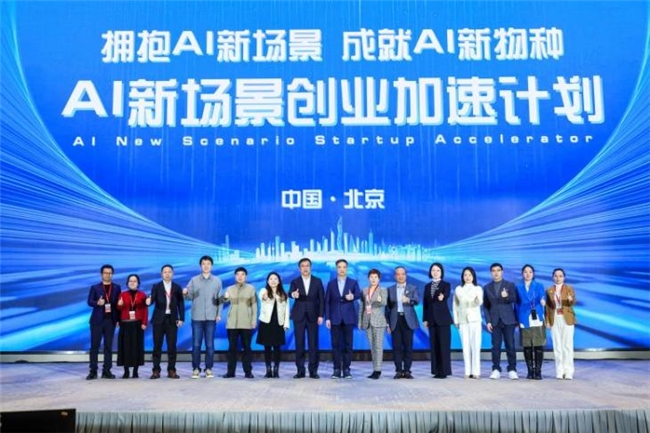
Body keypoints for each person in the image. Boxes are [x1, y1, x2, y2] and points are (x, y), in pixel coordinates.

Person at [183, 255, 223, 379]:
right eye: (204, 264)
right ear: (201, 266)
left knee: (210, 345)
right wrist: (185, 293)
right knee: (196, 345)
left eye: (208, 264)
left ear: (211, 266)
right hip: (197, 317)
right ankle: (196, 369)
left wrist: (219, 314)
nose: (206, 266)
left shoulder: (217, 280)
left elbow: (219, 299)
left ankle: (208, 369)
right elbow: (189, 297)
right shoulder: (194, 280)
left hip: (211, 317)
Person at [325, 259, 361, 379]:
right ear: (336, 269)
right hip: (334, 317)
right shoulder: (331, 284)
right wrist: (327, 318)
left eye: (344, 267)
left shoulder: (353, 282)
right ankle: (336, 369)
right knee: (335, 345)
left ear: (347, 268)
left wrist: (353, 296)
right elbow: (327, 302)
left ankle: (346, 369)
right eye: (339, 267)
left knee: (348, 345)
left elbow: (359, 294)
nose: (342, 269)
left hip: (348, 317)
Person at [147, 264, 185, 379]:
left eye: (169, 272)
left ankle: (171, 370)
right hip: (158, 320)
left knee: (172, 346)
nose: (167, 274)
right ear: (161, 274)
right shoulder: (156, 286)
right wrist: (148, 301)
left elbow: (180, 304)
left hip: (172, 319)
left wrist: (181, 318)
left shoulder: (177, 287)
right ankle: (156, 370)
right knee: (157, 346)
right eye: (165, 272)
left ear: (172, 274)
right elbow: (152, 299)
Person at [289, 258, 325, 379]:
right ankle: (300, 371)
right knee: (299, 344)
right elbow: (290, 293)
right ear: (299, 268)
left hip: (313, 316)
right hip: (298, 316)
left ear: (310, 267)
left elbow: (322, 299)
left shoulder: (317, 281)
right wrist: (293, 294)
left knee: (313, 344)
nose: (305, 268)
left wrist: (321, 315)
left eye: (307, 266)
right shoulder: (295, 281)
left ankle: (313, 371)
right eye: (303, 266)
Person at [483, 262, 519, 380]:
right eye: (493, 271)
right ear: (491, 273)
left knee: (510, 345)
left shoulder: (509, 285)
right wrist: (488, 321)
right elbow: (486, 306)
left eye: (498, 270)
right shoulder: (487, 287)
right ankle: (496, 369)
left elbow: (514, 299)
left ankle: (512, 369)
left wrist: (506, 296)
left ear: (502, 272)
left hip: (508, 319)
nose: (496, 273)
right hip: (495, 320)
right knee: (496, 346)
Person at [86, 264, 122, 380]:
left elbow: (118, 306)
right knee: (94, 347)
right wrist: (97, 303)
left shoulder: (117, 287)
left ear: (112, 274)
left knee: (108, 346)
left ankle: (107, 371)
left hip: (110, 320)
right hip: (97, 321)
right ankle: (93, 371)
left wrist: (118, 319)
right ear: (101, 274)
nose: (108, 275)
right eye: (106, 273)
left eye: (110, 273)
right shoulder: (95, 287)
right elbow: (89, 301)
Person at [221, 267, 257, 378]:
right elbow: (222, 301)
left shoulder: (251, 289)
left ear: (246, 276)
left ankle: (248, 372)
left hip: (246, 323)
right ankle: (230, 372)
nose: (240, 276)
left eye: (242, 274)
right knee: (232, 349)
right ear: (235, 276)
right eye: (238, 274)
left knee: (247, 348)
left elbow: (254, 306)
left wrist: (253, 320)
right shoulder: (230, 289)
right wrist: (224, 297)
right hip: (232, 324)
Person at [386, 266, 420, 379]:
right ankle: (398, 371)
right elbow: (387, 308)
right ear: (395, 276)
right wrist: (387, 323)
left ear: (406, 275)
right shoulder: (390, 289)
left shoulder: (412, 288)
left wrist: (408, 300)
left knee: (408, 346)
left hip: (408, 320)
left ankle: (407, 370)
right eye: (398, 274)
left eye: (403, 274)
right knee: (396, 347)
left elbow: (417, 300)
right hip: (395, 320)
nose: (400, 276)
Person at [515, 264, 547, 380]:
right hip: (524, 317)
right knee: (527, 345)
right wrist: (517, 319)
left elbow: (542, 296)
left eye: (530, 272)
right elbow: (516, 304)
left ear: (533, 274)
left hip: (537, 317)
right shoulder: (518, 287)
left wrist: (543, 300)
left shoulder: (539, 285)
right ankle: (530, 371)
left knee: (538, 345)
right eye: (525, 272)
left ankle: (538, 371)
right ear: (522, 274)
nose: (528, 274)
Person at [256, 272, 290, 378]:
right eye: (271, 279)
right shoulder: (264, 290)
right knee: (267, 347)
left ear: (279, 281)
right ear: (268, 281)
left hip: (278, 324)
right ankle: (268, 370)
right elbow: (262, 296)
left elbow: (287, 310)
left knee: (277, 348)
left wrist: (286, 324)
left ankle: (276, 370)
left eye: (275, 279)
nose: (273, 281)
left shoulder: (283, 294)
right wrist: (265, 296)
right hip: (266, 323)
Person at [545, 268, 577, 380]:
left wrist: (570, 299)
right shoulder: (549, 290)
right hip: (555, 318)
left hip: (567, 318)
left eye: (560, 276)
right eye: (556, 276)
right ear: (552, 277)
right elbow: (547, 307)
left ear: (564, 277)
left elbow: (573, 302)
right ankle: (559, 370)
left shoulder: (569, 288)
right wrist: (547, 321)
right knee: (557, 346)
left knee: (567, 345)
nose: (558, 278)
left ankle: (568, 371)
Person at [422, 262, 453, 379]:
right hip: (431, 319)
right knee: (434, 346)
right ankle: (436, 370)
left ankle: (444, 371)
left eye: (438, 270)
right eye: (433, 270)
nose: (435, 272)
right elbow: (425, 304)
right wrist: (425, 319)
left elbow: (446, 295)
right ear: (430, 272)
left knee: (444, 345)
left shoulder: (446, 285)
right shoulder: (427, 286)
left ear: (441, 272)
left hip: (443, 319)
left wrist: (443, 297)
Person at [453, 267, 483, 379]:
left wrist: (477, 300)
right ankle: (467, 371)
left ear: (473, 276)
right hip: (463, 320)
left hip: (475, 320)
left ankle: (476, 371)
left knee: (475, 346)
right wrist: (456, 320)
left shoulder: (478, 288)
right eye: (465, 275)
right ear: (462, 277)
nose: (467, 277)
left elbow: (479, 302)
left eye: (470, 275)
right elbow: (455, 306)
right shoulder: (458, 289)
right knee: (465, 347)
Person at [116, 274, 148, 379]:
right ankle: (126, 371)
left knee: (136, 347)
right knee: (125, 348)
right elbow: (118, 309)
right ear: (127, 283)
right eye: (130, 281)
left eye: (134, 281)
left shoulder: (142, 295)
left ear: (138, 283)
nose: (132, 283)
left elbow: (145, 310)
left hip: (137, 324)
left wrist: (144, 323)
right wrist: (119, 304)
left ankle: (135, 371)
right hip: (125, 324)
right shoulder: (122, 294)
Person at [358, 268, 388, 379]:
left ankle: (378, 370)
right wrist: (360, 321)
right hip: (367, 321)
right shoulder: (364, 290)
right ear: (368, 278)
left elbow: (384, 303)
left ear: (379, 279)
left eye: (375, 277)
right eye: (371, 277)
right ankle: (374, 369)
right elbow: (362, 307)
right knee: (372, 347)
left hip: (378, 321)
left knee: (378, 347)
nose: (373, 279)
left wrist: (379, 300)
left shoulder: (382, 290)